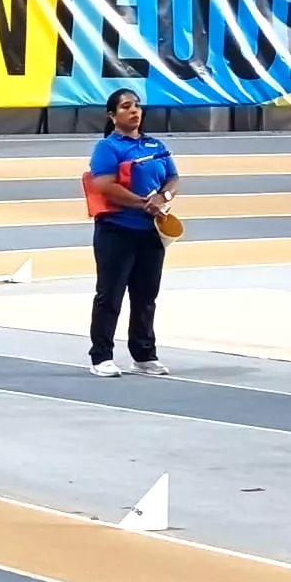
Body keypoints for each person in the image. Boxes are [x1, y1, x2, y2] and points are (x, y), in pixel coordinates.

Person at [85, 87, 179, 378]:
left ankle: (144, 355)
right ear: (112, 116)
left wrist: (163, 198)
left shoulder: (155, 145)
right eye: (126, 106)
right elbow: (104, 184)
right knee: (110, 295)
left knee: (145, 295)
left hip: (151, 232)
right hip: (117, 230)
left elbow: (173, 177)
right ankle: (101, 356)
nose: (134, 111)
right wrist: (142, 203)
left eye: (137, 105)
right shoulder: (108, 148)